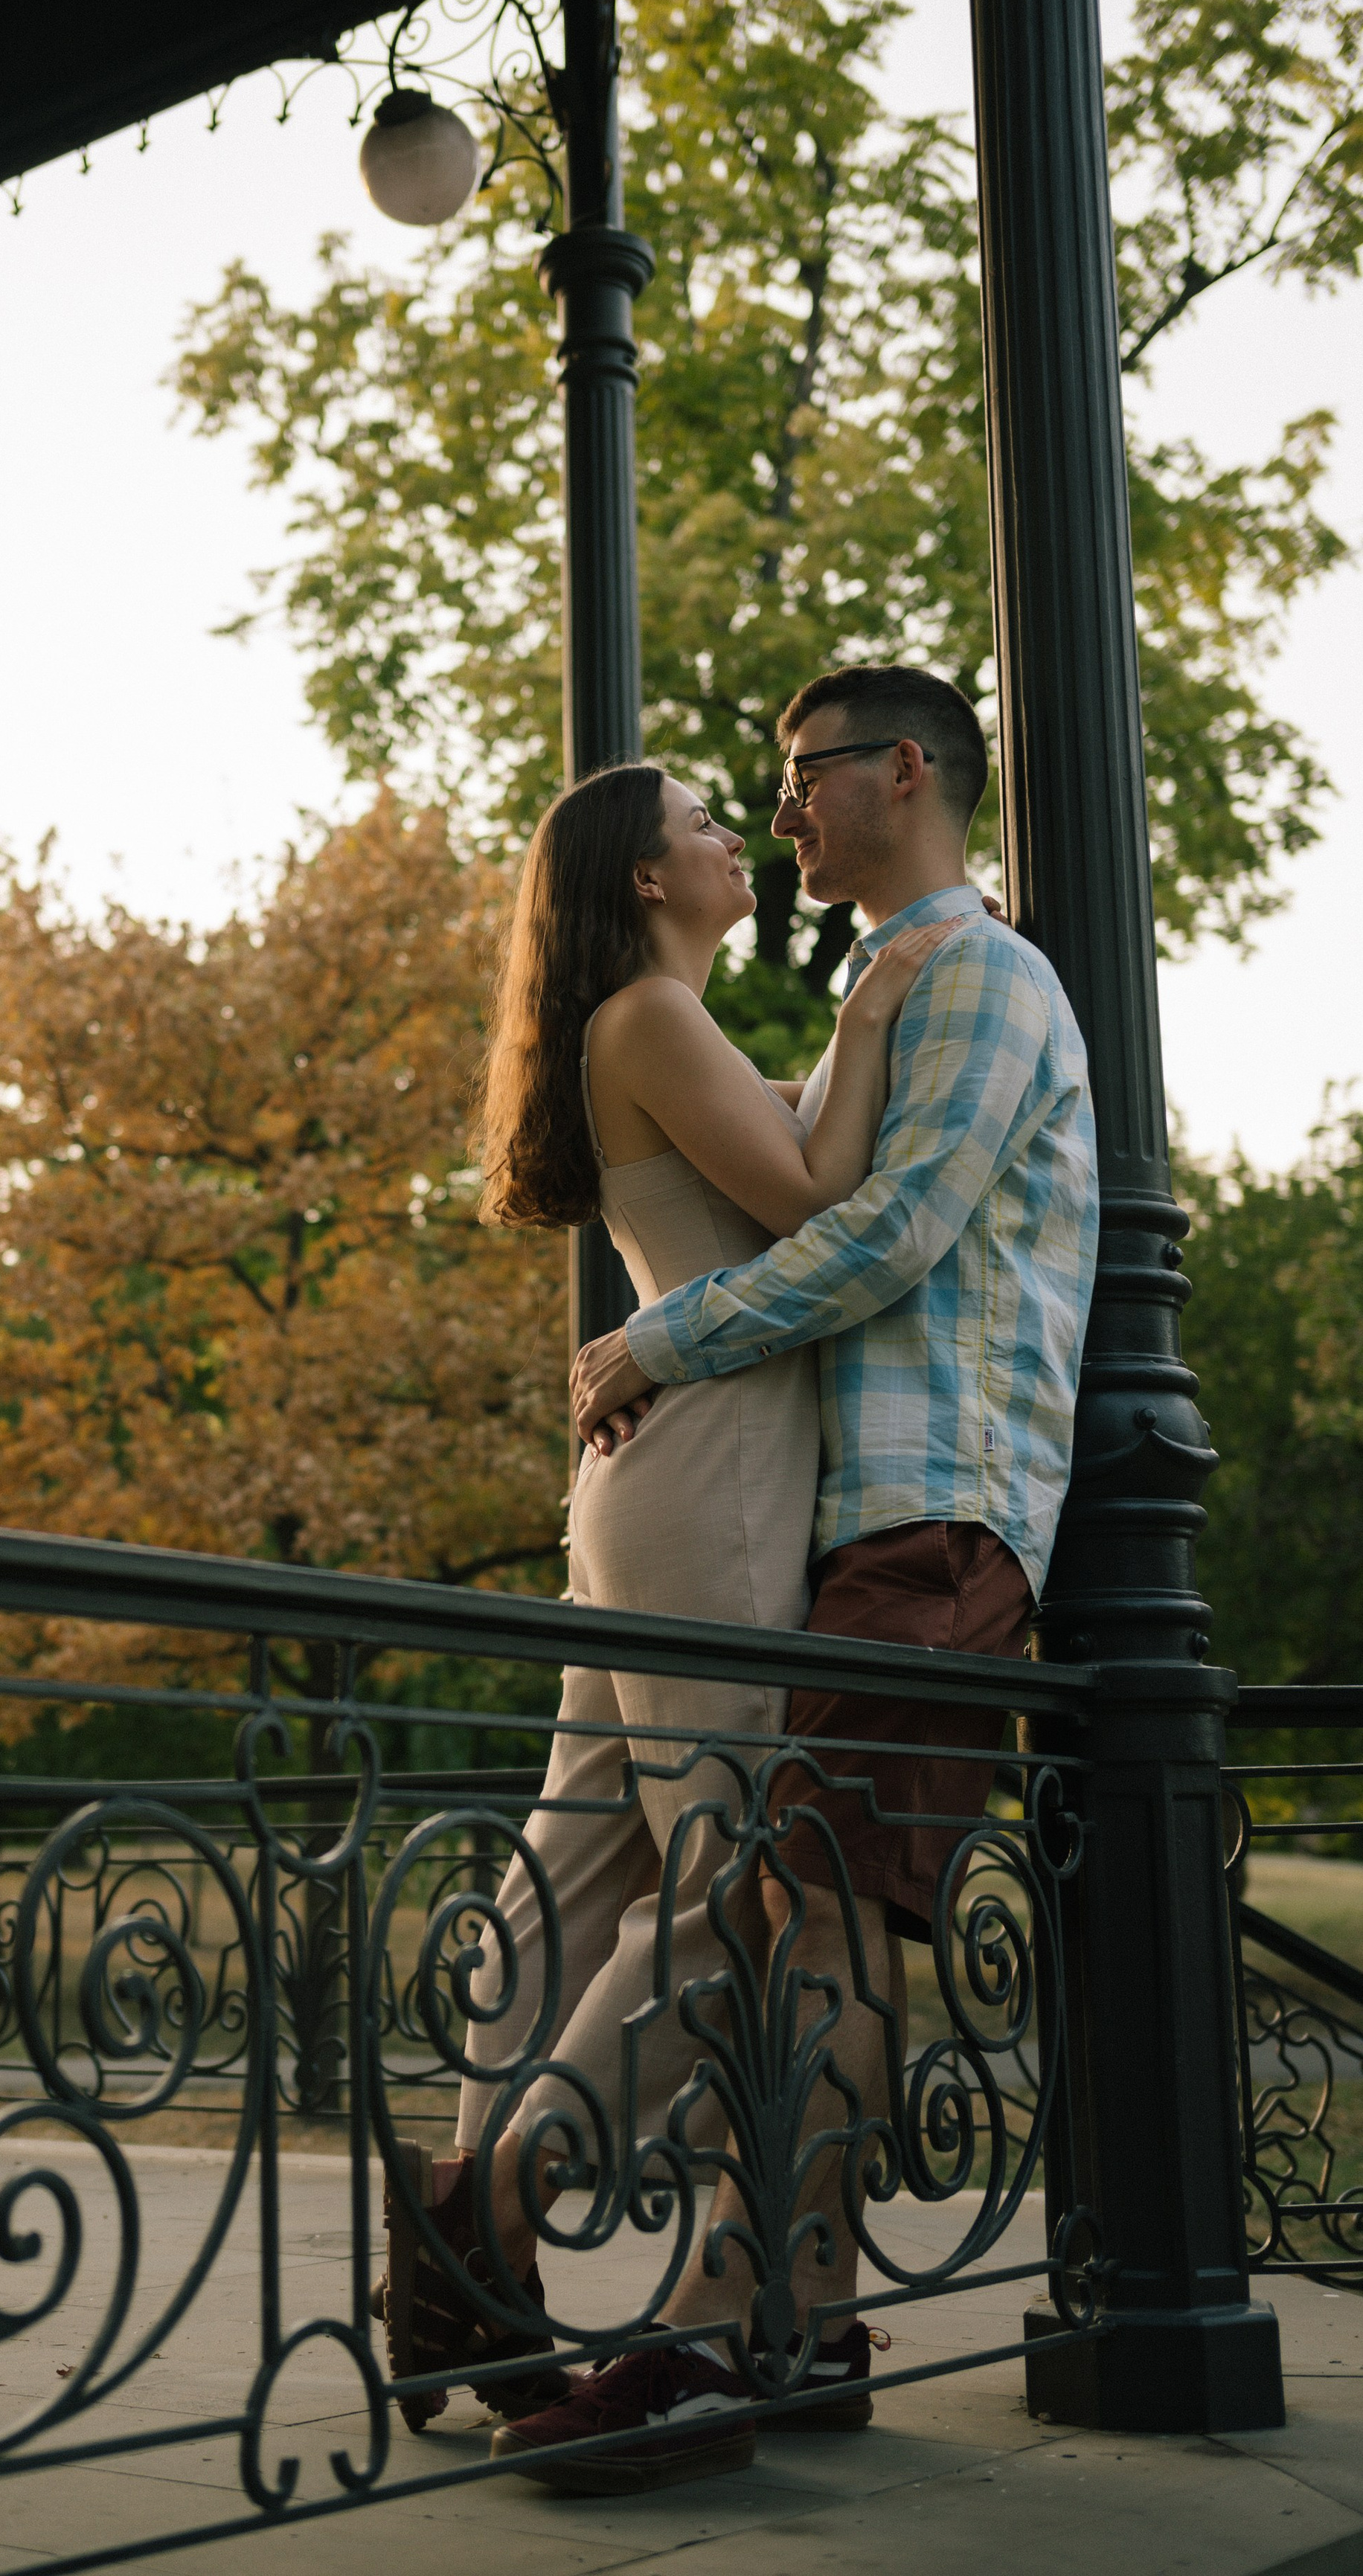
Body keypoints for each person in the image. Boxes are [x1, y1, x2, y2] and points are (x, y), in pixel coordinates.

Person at [490, 662, 1098, 2495]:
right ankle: (801, 2325)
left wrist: (660, 1344)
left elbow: (890, 1235)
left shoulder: (981, 974)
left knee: (802, 1910)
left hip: (938, 1508)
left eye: (802, 774)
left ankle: (706, 2336)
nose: (780, 813)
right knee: (799, 1907)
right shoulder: (877, 989)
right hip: (867, 1510)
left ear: (901, 771)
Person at [377, 751, 962, 2443]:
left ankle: (465, 2273)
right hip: (705, 1468)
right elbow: (817, 1200)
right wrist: (873, 1011)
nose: (734, 840)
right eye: (706, 822)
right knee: (731, 1875)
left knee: (576, 1862)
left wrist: (850, 1030)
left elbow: (776, 1165)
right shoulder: (644, 1015)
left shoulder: (662, 1024)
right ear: (643, 877)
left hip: (663, 1468)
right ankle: (480, 2213)